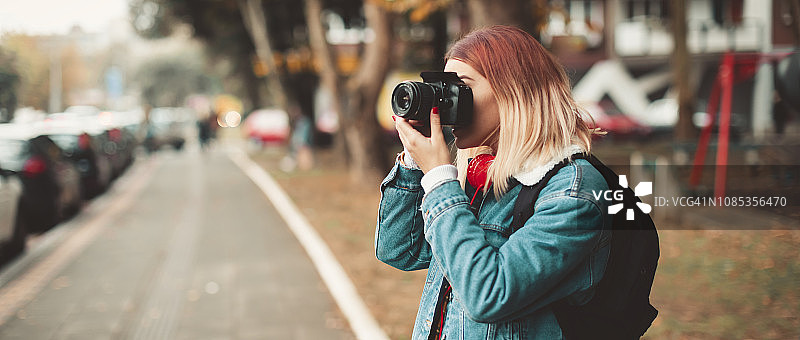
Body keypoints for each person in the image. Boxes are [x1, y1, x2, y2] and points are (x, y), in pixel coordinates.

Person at [375, 25, 611, 339]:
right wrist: (415, 160)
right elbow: (399, 250)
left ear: (515, 92)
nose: (447, 105)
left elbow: (487, 295)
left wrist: (439, 180)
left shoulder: (573, 191)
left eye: (461, 88)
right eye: (445, 88)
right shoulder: (483, 174)